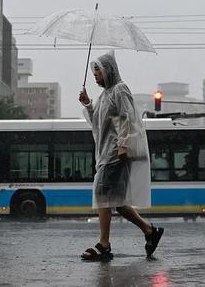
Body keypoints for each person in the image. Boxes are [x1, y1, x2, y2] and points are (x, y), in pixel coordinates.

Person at [78, 51, 164, 262]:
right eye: (93, 71)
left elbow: (127, 117)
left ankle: (104, 244)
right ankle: (149, 231)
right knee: (114, 200)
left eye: (97, 70)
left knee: (103, 195)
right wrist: (88, 104)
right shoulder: (104, 95)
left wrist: (123, 145)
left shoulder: (119, 89)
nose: (95, 75)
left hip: (115, 153)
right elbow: (97, 124)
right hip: (106, 152)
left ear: (108, 70)